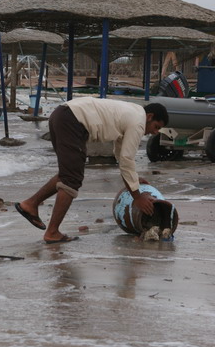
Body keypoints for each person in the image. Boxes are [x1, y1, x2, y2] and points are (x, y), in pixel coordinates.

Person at [15, 97, 169, 244]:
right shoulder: (138, 122)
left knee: (68, 174)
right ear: (149, 116)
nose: (155, 132)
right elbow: (127, 159)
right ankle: (52, 232)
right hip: (72, 121)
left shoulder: (133, 113)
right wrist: (137, 196)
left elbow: (121, 154)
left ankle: (30, 204)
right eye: (156, 127)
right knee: (71, 179)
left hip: (62, 114)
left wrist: (134, 181)